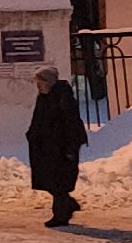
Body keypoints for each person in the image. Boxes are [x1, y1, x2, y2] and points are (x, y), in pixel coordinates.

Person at [26, 66, 87, 228]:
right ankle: (67, 204)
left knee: (57, 181)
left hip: (61, 146)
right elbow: (39, 119)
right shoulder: (44, 97)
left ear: (49, 82)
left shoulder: (62, 97)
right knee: (47, 179)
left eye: (41, 81)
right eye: (37, 82)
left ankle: (61, 215)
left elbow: (71, 123)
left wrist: (70, 148)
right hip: (46, 145)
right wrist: (32, 134)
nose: (38, 85)